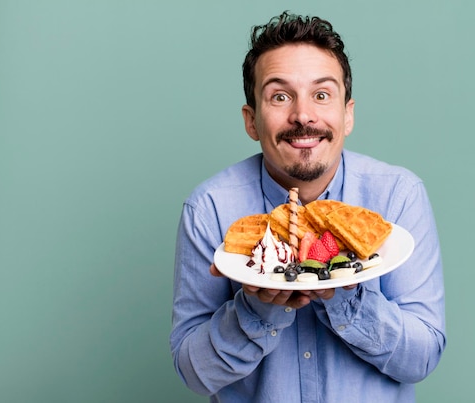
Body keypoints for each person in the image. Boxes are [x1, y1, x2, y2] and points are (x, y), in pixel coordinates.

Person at [170, 11, 446, 402]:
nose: (303, 115)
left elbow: (422, 357)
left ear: (347, 113)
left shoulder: (399, 196)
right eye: (280, 96)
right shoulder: (210, 209)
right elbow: (194, 373)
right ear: (251, 121)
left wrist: (345, 295)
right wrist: (254, 309)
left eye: (321, 94)